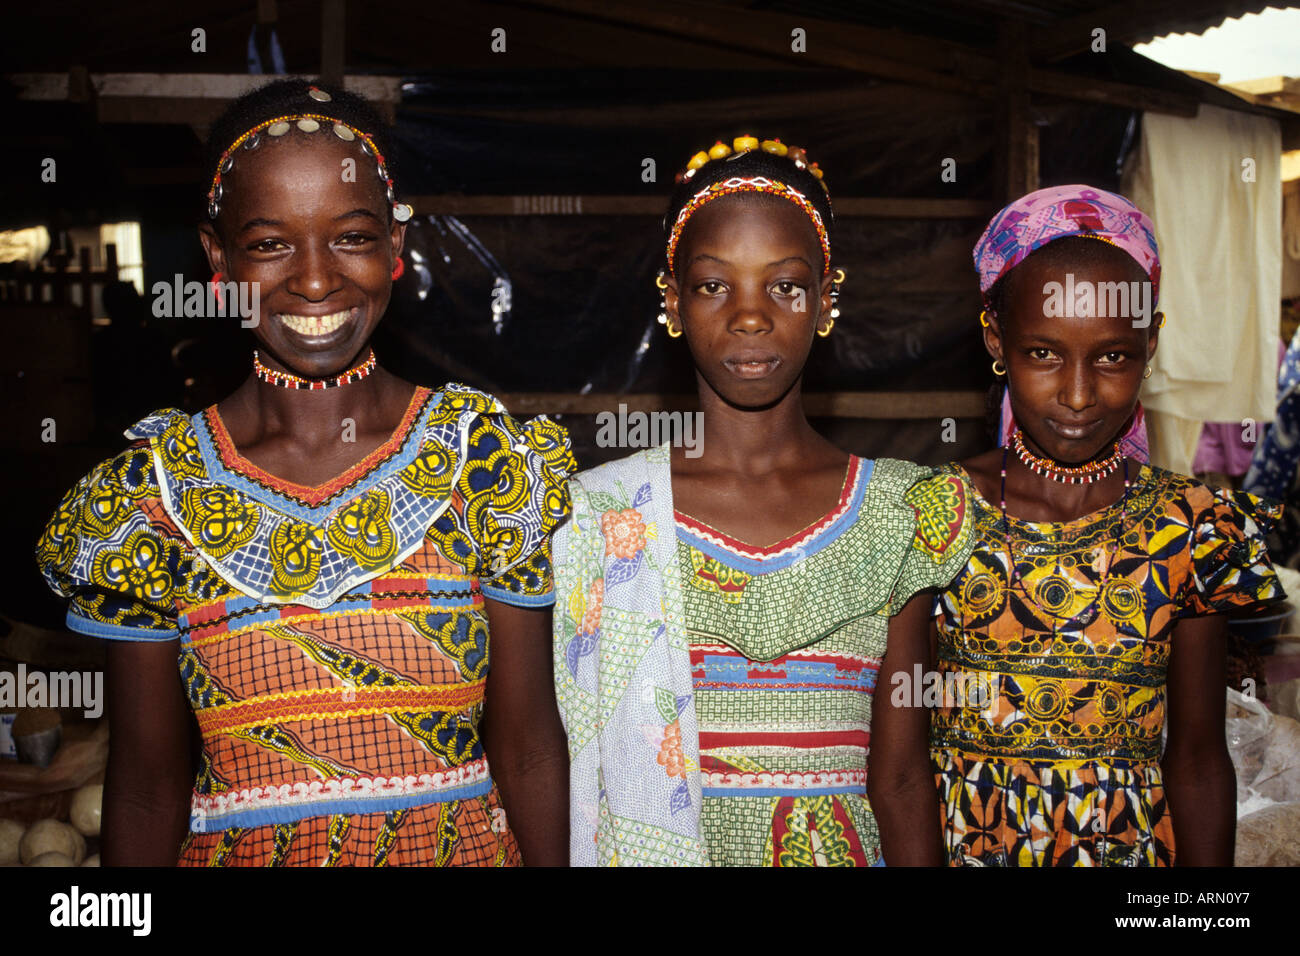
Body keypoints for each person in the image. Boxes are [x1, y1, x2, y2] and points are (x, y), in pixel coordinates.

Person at [35, 79, 574, 866]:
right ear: (218, 259)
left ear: (396, 247)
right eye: (269, 243)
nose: (315, 281)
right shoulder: (150, 500)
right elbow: (148, 783)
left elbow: (528, 746)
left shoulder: (483, 465)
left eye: (351, 237)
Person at [551, 136, 974, 866]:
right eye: (715, 285)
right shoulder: (602, 515)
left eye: (785, 285)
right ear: (673, 301)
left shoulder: (902, 511)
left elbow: (903, 779)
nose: (750, 317)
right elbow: (562, 765)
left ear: (827, 299)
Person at [932, 184, 1285, 866]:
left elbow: (1199, 757)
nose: (1078, 393)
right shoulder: (935, 513)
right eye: (1044, 353)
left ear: (1150, 344)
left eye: (1113, 357)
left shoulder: (1190, 529)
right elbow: (897, 763)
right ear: (995, 339)